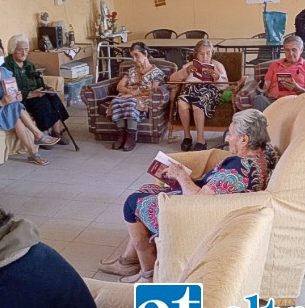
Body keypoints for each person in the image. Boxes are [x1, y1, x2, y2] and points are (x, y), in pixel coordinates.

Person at [99, 109, 278, 283]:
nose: (226, 138)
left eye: (230, 134)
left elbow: (198, 202)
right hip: (214, 203)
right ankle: (129, 260)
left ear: (244, 139)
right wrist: (184, 178)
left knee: (132, 203)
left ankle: (147, 274)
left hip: (195, 217)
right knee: (145, 190)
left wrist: (181, 175)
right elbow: (215, 190)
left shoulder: (236, 171)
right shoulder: (264, 154)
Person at [0, 38, 59, 166]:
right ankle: (38, 136)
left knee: (15, 109)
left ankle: (34, 153)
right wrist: (1, 103)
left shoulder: (5, 72)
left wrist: (17, 96)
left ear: (3, 55)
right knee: (14, 108)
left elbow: (12, 93)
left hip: (7, 106)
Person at [3, 34, 70, 146]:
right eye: (20, 50)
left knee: (53, 97)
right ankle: (43, 135)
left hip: (35, 94)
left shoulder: (29, 65)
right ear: (12, 50)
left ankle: (56, 132)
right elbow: (9, 89)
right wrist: (30, 94)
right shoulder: (6, 66)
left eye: (26, 50)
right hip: (21, 98)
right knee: (41, 103)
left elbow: (39, 82)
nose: (24, 53)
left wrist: (47, 89)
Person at [169, 39, 228, 151]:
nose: (205, 56)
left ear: (212, 53)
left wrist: (217, 78)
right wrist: (186, 71)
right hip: (190, 89)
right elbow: (172, 79)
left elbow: (225, 85)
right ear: (196, 54)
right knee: (181, 102)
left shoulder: (217, 65)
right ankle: (187, 137)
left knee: (197, 104)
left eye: (208, 53)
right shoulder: (190, 65)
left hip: (208, 90)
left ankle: (201, 139)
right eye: (201, 54)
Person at [110, 41, 165, 152]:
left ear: (145, 53)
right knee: (116, 101)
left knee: (131, 103)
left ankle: (131, 138)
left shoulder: (157, 73)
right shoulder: (131, 71)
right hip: (127, 96)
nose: (134, 60)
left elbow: (153, 90)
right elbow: (119, 86)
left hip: (143, 99)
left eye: (137, 56)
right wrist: (130, 91)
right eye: (132, 57)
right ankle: (121, 136)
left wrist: (134, 94)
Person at [252, 34, 305, 111]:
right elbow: (265, 88)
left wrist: (297, 89)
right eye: (287, 50)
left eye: (294, 50)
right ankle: (260, 122)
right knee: (259, 99)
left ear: (301, 50)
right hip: (274, 102)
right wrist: (268, 94)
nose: (290, 53)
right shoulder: (275, 65)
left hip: (296, 103)